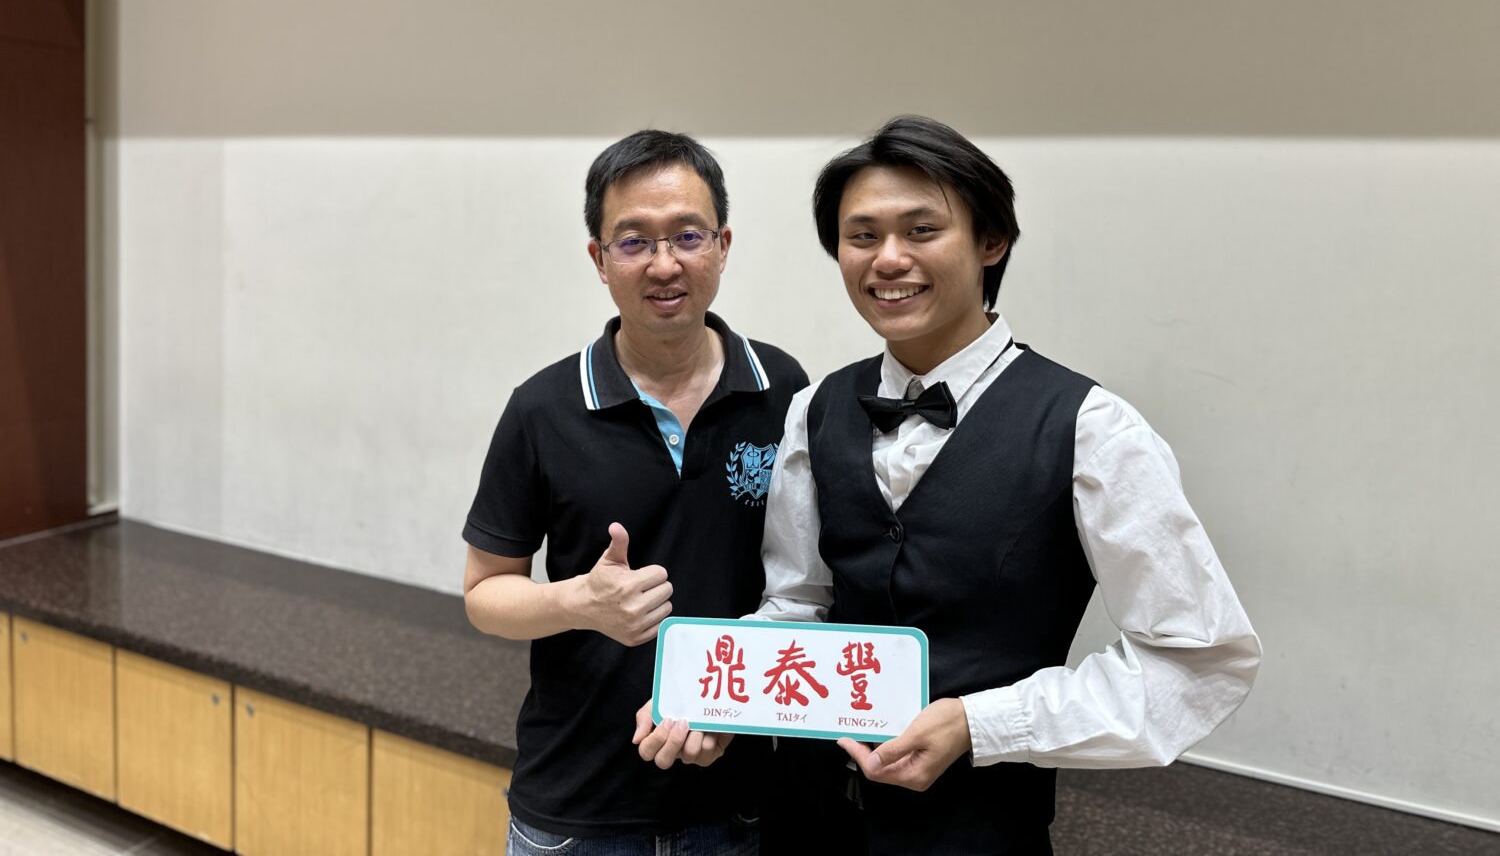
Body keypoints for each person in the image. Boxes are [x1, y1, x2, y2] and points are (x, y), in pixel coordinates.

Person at [639, 116, 1260, 855]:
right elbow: (801, 603)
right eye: (862, 236)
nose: (888, 258)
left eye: (922, 230)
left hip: (979, 831)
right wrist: (710, 696)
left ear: (991, 241)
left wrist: (979, 723)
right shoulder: (816, 409)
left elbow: (1200, 659)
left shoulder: (1093, 429)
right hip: (805, 820)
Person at [463, 130, 808, 855]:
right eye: (633, 241)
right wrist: (577, 602)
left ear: (722, 245)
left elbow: (804, 583)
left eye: (687, 235)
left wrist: (728, 701)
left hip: (740, 801)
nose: (664, 263)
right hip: (577, 808)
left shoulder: (783, 390)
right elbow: (485, 593)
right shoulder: (543, 408)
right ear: (599, 258)